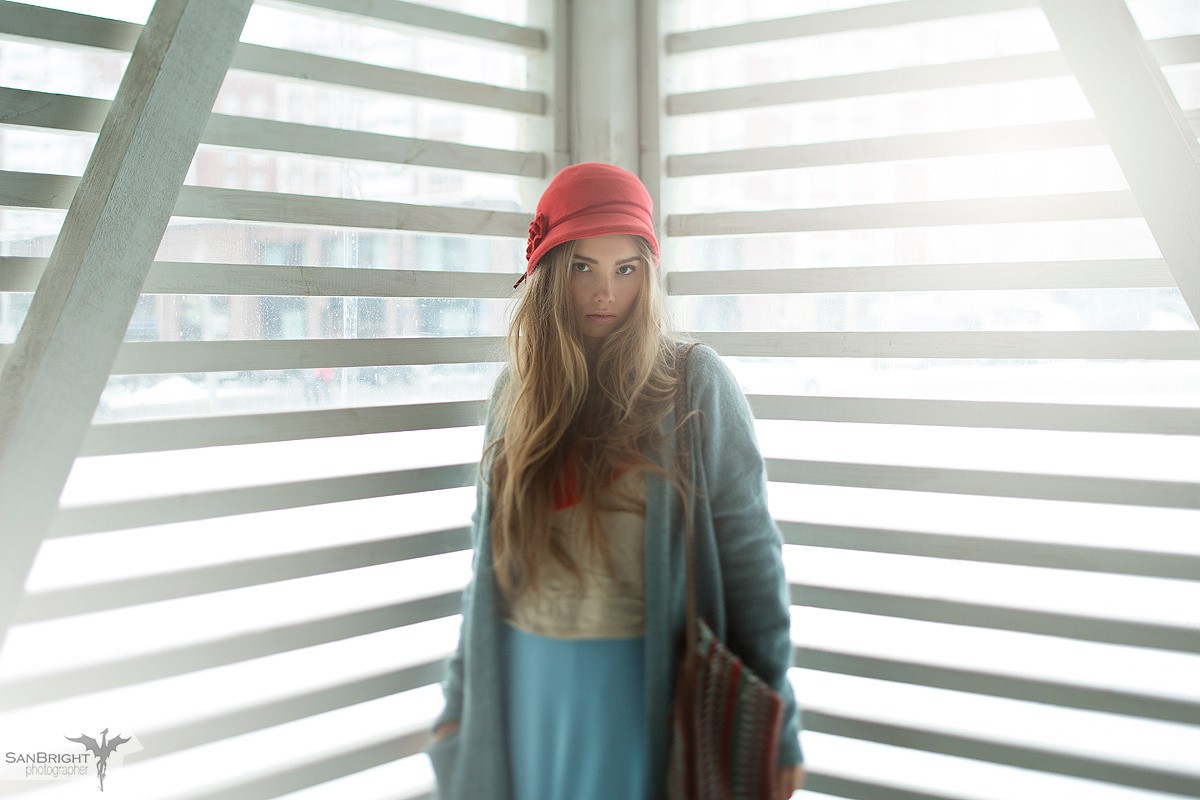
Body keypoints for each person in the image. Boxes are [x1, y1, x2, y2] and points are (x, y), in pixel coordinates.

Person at [426, 162, 805, 800]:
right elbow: (485, 569)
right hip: (525, 687)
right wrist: (457, 706)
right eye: (583, 268)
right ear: (550, 273)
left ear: (648, 276)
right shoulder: (514, 395)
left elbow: (751, 564)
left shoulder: (694, 384)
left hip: (641, 690)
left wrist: (782, 728)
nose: (605, 292)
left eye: (625, 269)